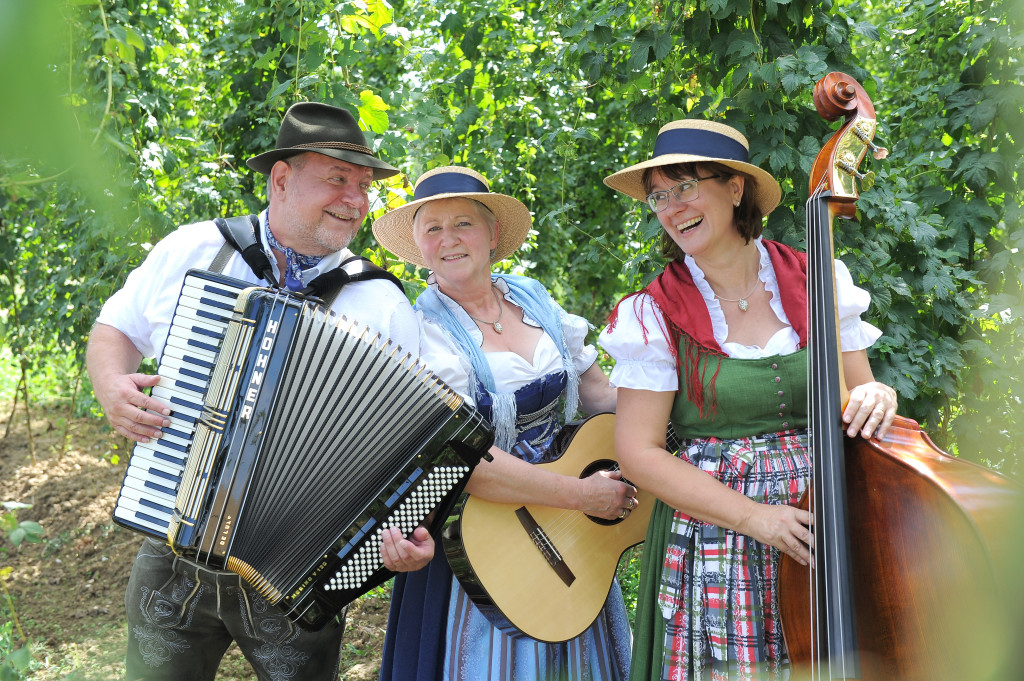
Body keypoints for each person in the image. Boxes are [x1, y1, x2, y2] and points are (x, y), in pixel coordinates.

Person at [87, 102, 436, 681]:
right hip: (173, 541)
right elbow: (115, 330)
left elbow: (407, 448)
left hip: (295, 564)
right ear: (281, 178)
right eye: (338, 179)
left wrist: (403, 534)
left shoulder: (378, 301)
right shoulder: (197, 250)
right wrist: (110, 384)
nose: (357, 199)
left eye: (364, 184)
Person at [598, 120, 899, 680]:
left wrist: (878, 395)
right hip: (720, 534)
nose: (670, 207)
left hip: (826, 514)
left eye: (684, 186)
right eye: (658, 195)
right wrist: (756, 519)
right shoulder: (652, 312)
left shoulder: (819, 277)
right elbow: (638, 453)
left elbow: (859, 391)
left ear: (735, 188)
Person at [371, 166, 637, 680]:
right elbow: (463, 464)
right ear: (418, 245)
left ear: (492, 234)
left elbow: (597, 392)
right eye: (432, 228)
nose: (449, 240)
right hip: (485, 534)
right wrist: (581, 495)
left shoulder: (533, 297)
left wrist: (678, 394)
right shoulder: (420, 332)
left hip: (569, 535)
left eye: (463, 224)